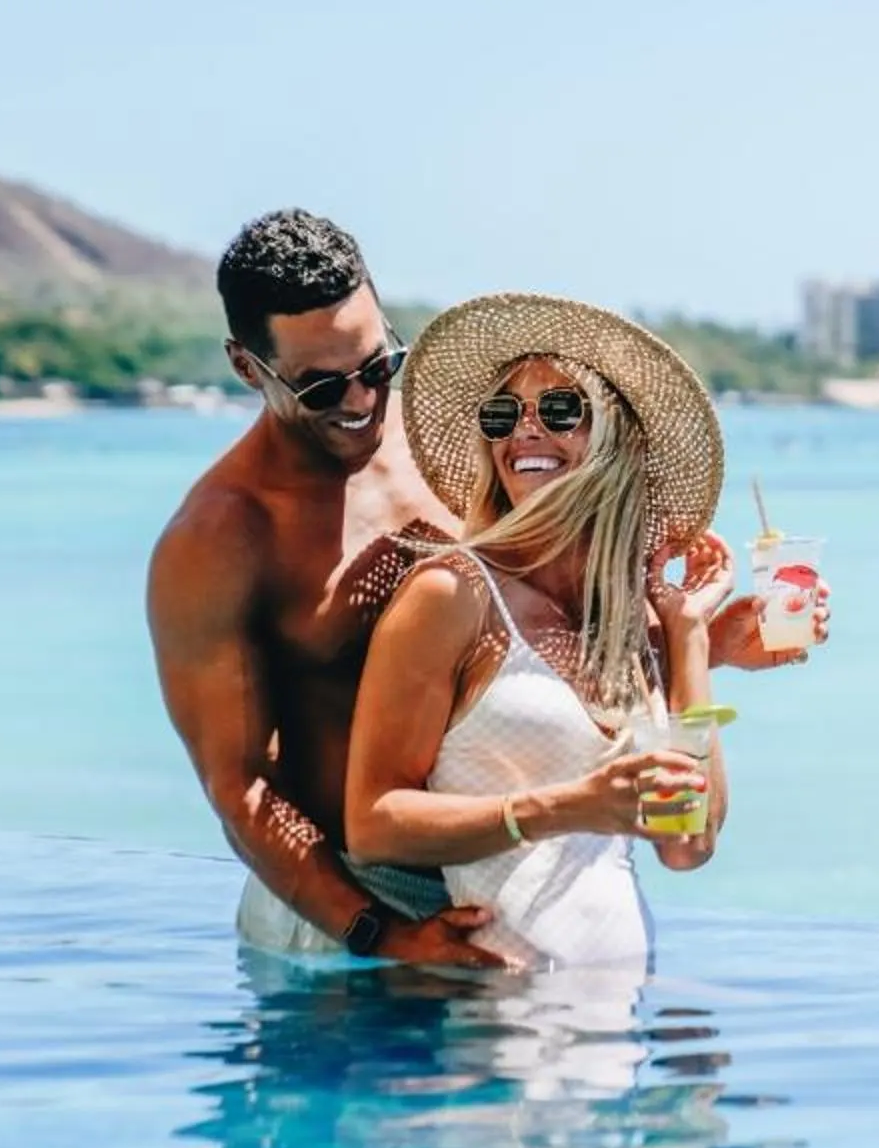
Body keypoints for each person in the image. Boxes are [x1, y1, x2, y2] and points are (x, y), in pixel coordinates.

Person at [147, 210, 820, 967]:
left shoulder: (463, 445)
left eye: (377, 365)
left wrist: (697, 643)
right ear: (248, 367)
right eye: (323, 386)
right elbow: (241, 792)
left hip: (484, 891)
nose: (364, 400)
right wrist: (377, 932)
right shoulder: (222, 538)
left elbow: (512, 652)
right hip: (342, 928)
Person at [342, 293, 736, 968]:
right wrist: (566, 807)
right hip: (501, 1030)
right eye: (502, 414)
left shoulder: (618, 625)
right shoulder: (452, 595)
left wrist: (688, 634)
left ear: (620, 440)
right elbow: (373, 824)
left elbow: (688, 843)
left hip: (616, 1023)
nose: (523, 431)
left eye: (558, 410)